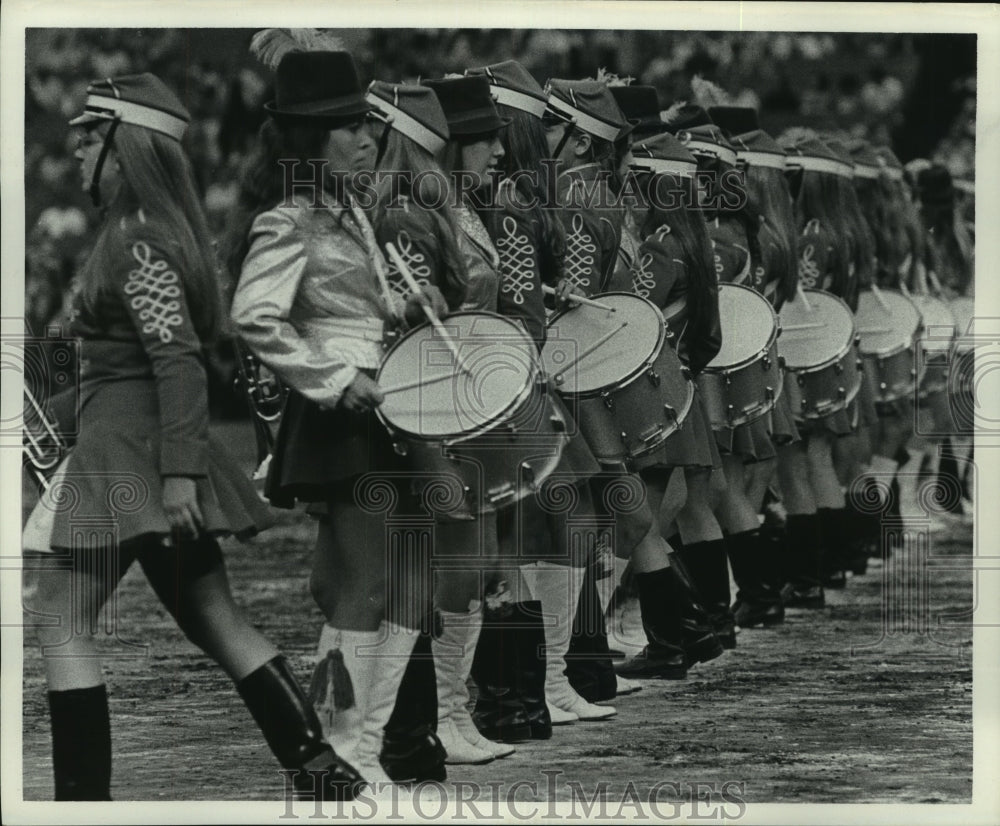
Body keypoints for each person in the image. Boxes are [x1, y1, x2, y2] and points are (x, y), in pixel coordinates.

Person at [22, 72, 363, 802]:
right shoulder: (136, 232)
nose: (78, 149)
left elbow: (175, 360)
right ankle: (317, 768)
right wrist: (48, 411)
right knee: (214, 617)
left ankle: (83, 801)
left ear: (125, 146)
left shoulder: (136, 243)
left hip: (135, 465)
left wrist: (178, 475)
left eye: (92, 136)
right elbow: (120, 369)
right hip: (133, 454)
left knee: (59, 616)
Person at [228, 51, 444, 788]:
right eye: (349, 127)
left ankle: (369, 744)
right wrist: (331, 378)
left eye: (367, 126)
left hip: (388, 407)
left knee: (411, 582)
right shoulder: (287, 218)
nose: (368, 139)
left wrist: (408, 309)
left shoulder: (348, 208)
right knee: (365, 590)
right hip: (341, 416)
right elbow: (254, 318)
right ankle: (343, 750)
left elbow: (358, 305)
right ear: (311, 137)